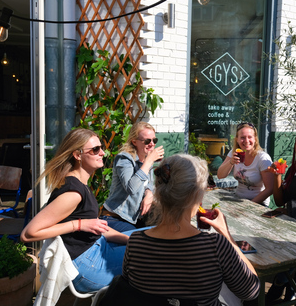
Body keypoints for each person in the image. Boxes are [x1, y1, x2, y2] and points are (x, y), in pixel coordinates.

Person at [122, 154, 261, 305]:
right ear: (196, 195)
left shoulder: (135, 242)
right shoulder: (216, 246)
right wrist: (227, 236)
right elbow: (251, 291)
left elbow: (129, 288)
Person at [20, 128, 145, 293]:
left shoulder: (80, 184)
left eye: (101, 148)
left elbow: (97, 228)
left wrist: (131, 240)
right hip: (86, 266)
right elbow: (28, 234)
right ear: (77, 155)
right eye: (95, 150)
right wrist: (77, 224)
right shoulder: (73, 193)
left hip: (96, 249)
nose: (102, 153)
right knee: (155, 253)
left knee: (154, 235)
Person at [101, 121, 164, 231]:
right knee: (140, 240)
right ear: (134, 142)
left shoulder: (146, 159)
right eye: (147, 141)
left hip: (134, 219)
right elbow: (131, 188)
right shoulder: (124, 159)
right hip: (115, 218)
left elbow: (149, 183)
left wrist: (149, 193)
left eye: (154, 140)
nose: (152, 144)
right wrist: (149, 161)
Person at [217, 122, 274, 206]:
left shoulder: (263, 158)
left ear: (255, 139)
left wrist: (250, 205)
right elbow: (220, 176)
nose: (246, 141)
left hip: (258, 204)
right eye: (242, 137)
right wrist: (231, 162)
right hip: (238, 199)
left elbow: (270, 189)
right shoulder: (234, 152)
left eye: (250, 137)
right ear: (237, 139)